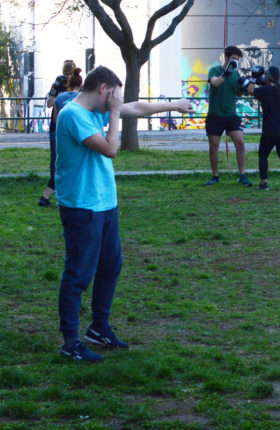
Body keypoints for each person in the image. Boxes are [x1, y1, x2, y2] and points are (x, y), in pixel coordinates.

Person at [55, 66, 193, 362]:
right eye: (115, 94)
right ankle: (70, 342)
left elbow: (137, 106)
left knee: (110, 266)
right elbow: (110, 149)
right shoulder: (73, 115)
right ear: (104, 89)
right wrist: (115, 114)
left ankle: (98, 328)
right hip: (81, 207)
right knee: (78, 274)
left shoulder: (97, 110)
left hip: (105, 205)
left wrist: (174, 105)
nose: (117, 100)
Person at [203, 46, 251, 187]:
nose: (235, 62)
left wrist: (244, 88)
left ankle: (242, 175)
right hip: (215, 115)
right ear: (226, 57)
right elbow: (215, 83)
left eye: (237, 59)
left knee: (240, 143)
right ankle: (215, 176)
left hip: (231, 116)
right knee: (214, 146)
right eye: (233, 58)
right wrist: (226, 73)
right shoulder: (215, 70)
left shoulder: (236, 74)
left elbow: (239, 93)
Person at [39, 62, 82, 207]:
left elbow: (52, 107)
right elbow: (52, 105)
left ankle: (52, 194)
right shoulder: (70, 91)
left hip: (58, 128)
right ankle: (50, 195)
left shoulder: (63, 91)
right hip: (66, 129)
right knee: (62, 161)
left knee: (58, 161)